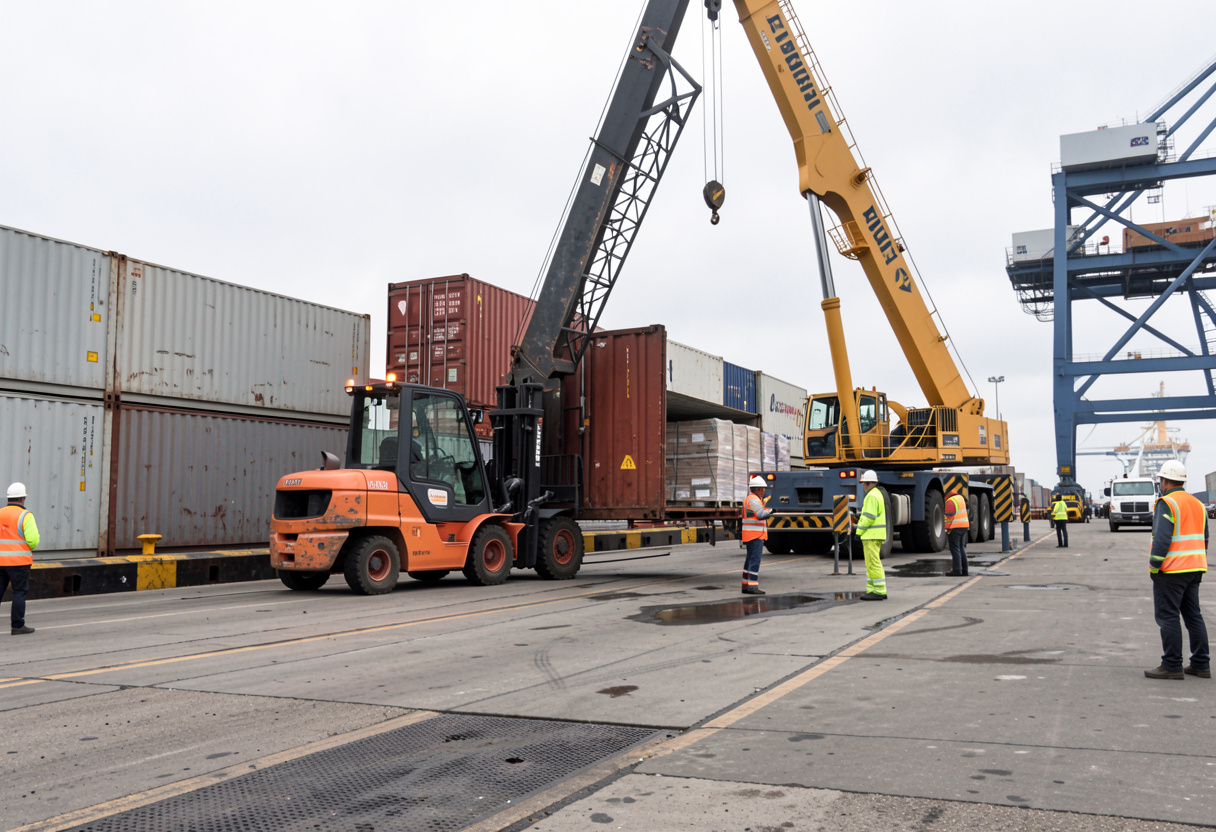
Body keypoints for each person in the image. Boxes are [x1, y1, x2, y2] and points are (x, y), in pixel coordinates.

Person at [1144, 460, 1209, 680]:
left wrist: (1154, 565)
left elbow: (1161, 539)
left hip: (1172, 570)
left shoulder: (1167, 503)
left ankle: (1172, 665)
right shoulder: (1198, 504)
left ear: (1164, 480)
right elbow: (1204, 537)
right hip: (1195, 567)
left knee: (1168, 616)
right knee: (1193, 615)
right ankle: (1201, 664)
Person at [1, 482, 39, 635]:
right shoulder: (25, 515)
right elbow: (33, 540)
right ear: (23, 498)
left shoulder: (0, 512)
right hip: (18, 562)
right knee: (19, 592)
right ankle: (17, 625)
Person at [855, 470, 887, 600]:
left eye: (864, 484)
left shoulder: (872, 496)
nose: (863, 486)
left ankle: (878, 591)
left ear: (869, 483)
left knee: (873, 563)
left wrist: (858, 531)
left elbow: (868, 517)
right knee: (871, 563)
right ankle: (873, 589)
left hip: (871, 535)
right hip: (874, 535)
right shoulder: (877, 494)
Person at [741, 475, 773, 595]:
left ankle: (745, 585)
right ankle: (753, 586)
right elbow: (760, 514)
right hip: (755, 535)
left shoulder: (751, 499)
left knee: (749, 560)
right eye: (763, 489)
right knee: (755, 560)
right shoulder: (753, 500)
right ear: (760, 489)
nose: (764, 491)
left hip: (751, 535)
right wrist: (771, 511)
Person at [944, 488, 969, 576]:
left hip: (955, 527)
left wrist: (946, 529)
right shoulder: (960, 498)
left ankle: (957, 571)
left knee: (955, 549)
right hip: (964, 526)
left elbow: (948, 517)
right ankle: (964, 570)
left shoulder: (950, 501)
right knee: (961, 548)